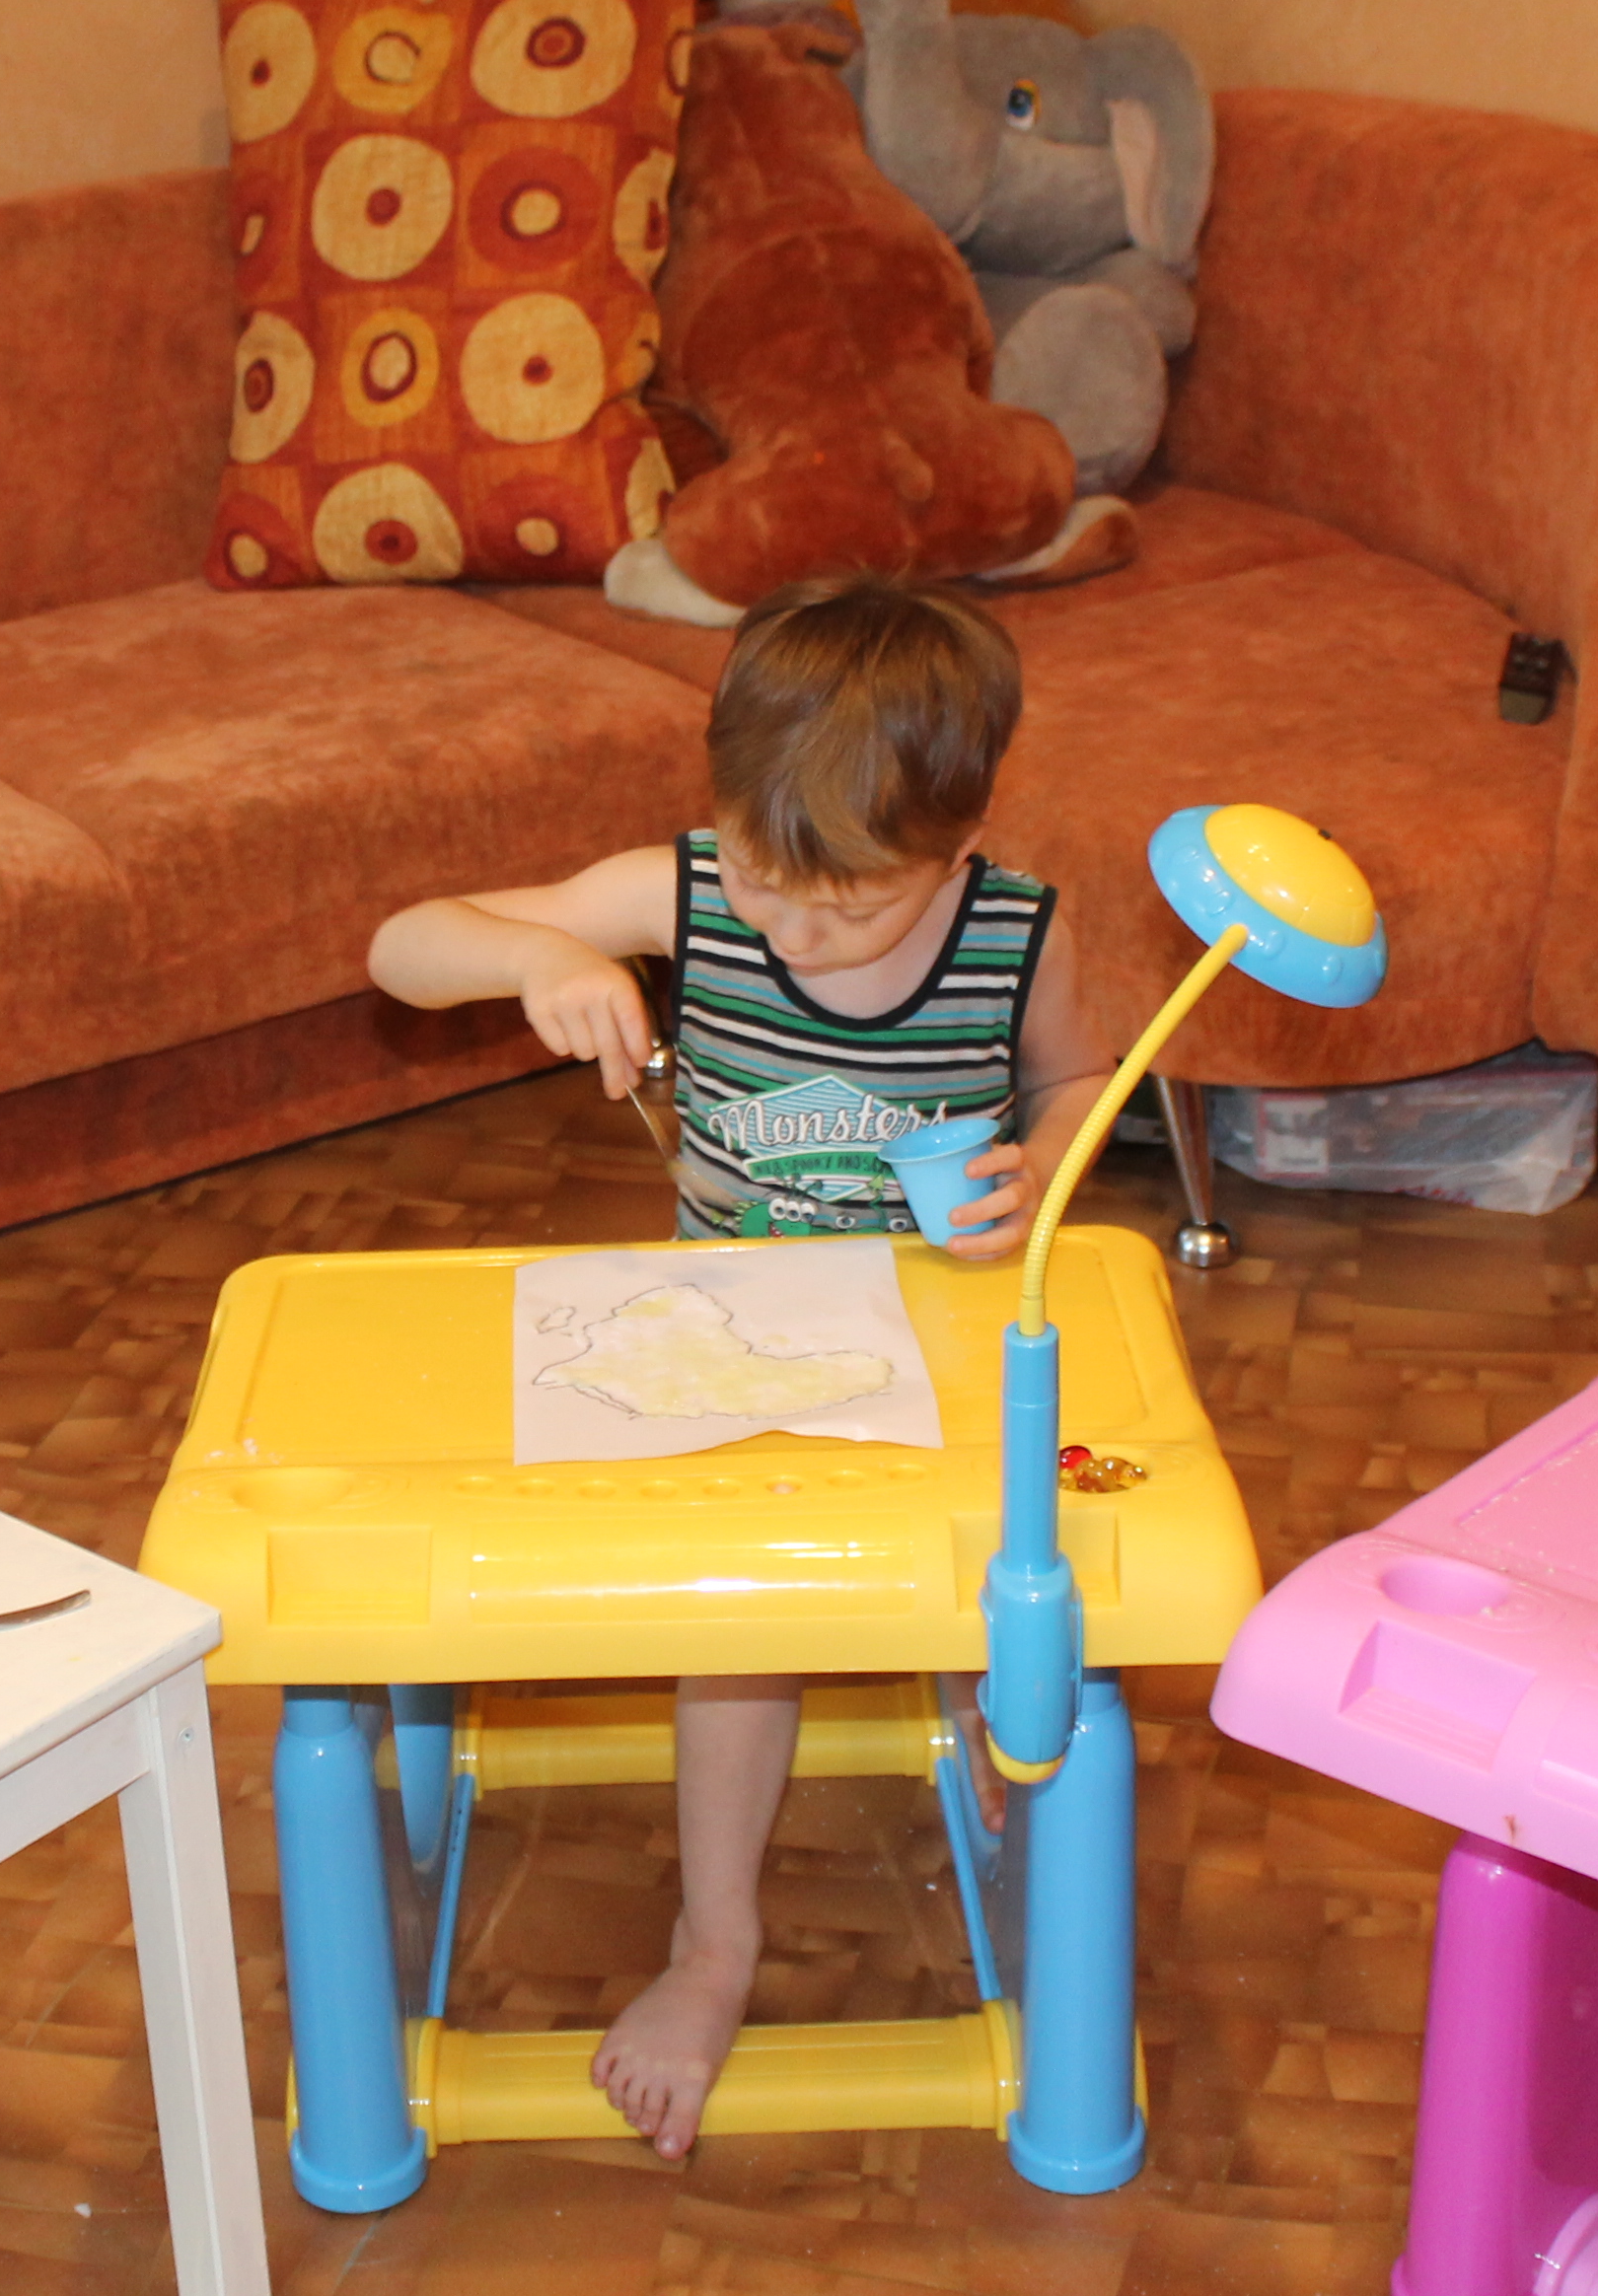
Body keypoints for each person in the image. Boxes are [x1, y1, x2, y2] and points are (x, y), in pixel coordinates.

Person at [366, 576, 1116, 2158]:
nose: (794, 932)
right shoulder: (692, 891)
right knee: (741, 1634)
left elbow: (1075, 1077)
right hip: (730, 1354)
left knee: (1025, 1546)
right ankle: (716, 1945)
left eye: (852, 907)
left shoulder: (1016, 932)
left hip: (942, 1341)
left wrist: (1046, 1164)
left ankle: (974, 1678)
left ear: (958, 851)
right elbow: (400, 948)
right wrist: (532, 958)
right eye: (771, 887)